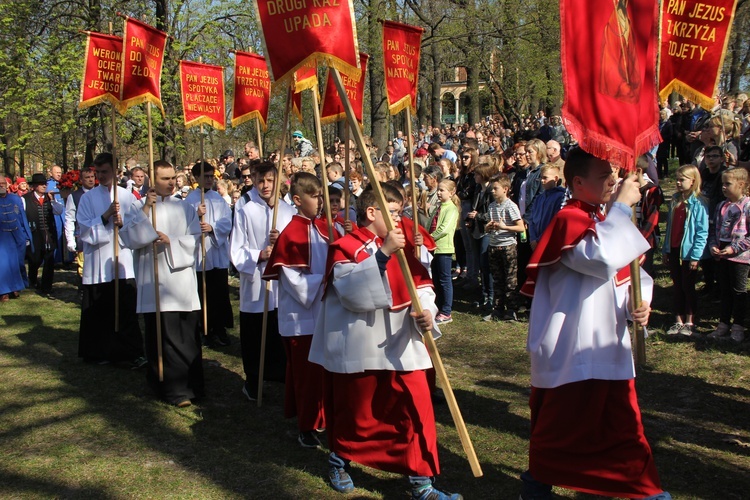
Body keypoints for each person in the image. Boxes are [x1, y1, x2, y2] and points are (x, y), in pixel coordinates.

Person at [518, 147, 670, 500]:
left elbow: (629, 275)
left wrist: (640, 304)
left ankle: (643, 491)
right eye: (604, 176)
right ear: (578, 182)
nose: (614, 181)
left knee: (622, 427)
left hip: (607, 343)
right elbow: (601, 258)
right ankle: (538, 488)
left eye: (614, 174)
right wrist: (621, 208)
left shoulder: (603, 221)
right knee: (560, 428)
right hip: (572, 346)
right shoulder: (569, 219)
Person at [310, 183, 462, 500]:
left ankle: (421, 483)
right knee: (359, 415)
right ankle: (340, 460)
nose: (399, 218)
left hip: (403, 343)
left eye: (399, 211)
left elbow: (421, 283)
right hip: (363, 345)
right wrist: (382, 253)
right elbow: (352, 294)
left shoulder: (401, 245)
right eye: (392, 212)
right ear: (371, 212)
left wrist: (428, 312)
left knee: (415, 410)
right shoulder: (346, 245)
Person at [120, 160, 203, 407]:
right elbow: (129, 238)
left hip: (181, 279)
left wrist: (172, 241)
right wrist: (147, 210)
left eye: (172, 178)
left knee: (186, 335)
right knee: (162, 336)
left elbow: (196, 239)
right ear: (151, 180)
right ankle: (171, 388)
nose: (170, 183)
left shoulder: (185, 207)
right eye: (164, 179)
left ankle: (192, 385)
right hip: (154, 280)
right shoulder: (138, 207)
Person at [262, 172, 331, 448]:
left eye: (320, 196)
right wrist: (325, 281)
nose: (320, 202)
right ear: (298, 200)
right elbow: (293, 280)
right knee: (304, 374)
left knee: (320, 372)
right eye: (315, 197)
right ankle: (307, 425)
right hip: (301, 318)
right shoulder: (291, 234)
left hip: (322, 312)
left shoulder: (322, 228)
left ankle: (320, 417)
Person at [231, 161, 295, 401]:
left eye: (270, 180)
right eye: (261, 180)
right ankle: (253, 378)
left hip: (281, 284)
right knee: (256, 332)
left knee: (279, 332)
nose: (265, 185)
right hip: (257, 281)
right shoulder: (245, 208)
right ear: (254, 180)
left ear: (278, 181)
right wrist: (260, 254)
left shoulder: (287, 211)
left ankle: (278, 374)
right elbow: (236, 249)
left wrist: (282, 243)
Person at [77, 153, 144, 366]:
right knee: (99, 311)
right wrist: (105, 217)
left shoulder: (128, 197)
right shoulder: (88, 198)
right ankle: (98, 352)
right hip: (98, 261)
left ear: (115, 171)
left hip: (122, 261)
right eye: (98, 172)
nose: (101, 176)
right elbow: (85, 231)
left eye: (105, 172)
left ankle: (129, 352)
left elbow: (137, 227)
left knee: (125, 310)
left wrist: (123, 224)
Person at [185, 162, 234, 348]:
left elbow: (226, 222)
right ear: (196, 178)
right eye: (204, 176)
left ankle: (219, 327)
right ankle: (204, 328)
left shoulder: (218, 199)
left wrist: (212, 228)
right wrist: (197, 217)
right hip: (199, 252)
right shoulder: (189, 200)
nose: (208, 179)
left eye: (211, 176)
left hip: (216, 251)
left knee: (219, 292)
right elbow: (183, 226)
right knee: (202, 293)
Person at [662, 165, 709, 336]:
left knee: (688, 286)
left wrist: (696, 255)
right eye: (677, 179)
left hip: (688, 253)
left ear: (693, 181)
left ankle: (690, 321)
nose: (678, 183)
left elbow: (702, 232)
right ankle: (678, 320)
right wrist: (666, 250)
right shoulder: (675, 200)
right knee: (677, 285)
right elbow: (669, 228)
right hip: (674, 249)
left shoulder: (699, 203)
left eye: (682, 179)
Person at [707, 168, 750, 342]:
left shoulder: (747, 205)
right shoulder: (721, 206)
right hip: (722, 253)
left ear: (741, 185)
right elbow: (714, 230)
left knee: (738, 291)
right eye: (722, 183)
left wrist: (735, 248)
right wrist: (713, 245)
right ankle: (723, 324)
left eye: (728, 184)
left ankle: (738, 325)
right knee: (724, 290)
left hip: (740, 256)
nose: (723, 187)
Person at [483, 173, 524, 322]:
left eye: (495, 188)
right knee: (497, 279)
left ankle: (511, 310)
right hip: (494, 245)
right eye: (491, 189)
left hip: (507, 246)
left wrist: (504, 227)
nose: (492, 191)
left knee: (510, 279)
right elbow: (489, 226)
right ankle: (497, 309)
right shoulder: (492, 206)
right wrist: (488, 228)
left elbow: (520, 228)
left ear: (505, 189)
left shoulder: (511, 206)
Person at [23, 173, 64, 294]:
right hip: (34, 234)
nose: (44, 186)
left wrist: (52, 200)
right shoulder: (25, 199)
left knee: (49, 259)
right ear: (35, 186)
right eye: (41, 184)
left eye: (45, 184)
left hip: (49, 234)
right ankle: (33, 279)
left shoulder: (50, 198)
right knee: (35, 260)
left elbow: (58, 211)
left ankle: (47, 286)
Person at [430, 179, 460, 324]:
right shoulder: (439, 208)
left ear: (451, 192)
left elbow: (443, 229)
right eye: (438, 190)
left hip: (444, 249)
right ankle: (438, 307)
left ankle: (446, 311)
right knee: (436, 278)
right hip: (434, 248)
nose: (439, 193)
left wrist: (428, 238)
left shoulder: (451, 209)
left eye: (442, 190)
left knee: (444, 279)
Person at [0, 175, 31, 301]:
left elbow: (22, 217)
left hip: (17, 235)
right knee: (3, 264)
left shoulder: (16, 199)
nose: (1, 185)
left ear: (7, 185)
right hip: (2, 237)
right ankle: (4, 291)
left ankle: (16, 287)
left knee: (17, 262)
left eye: (3, 183)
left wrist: (25, 235)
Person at [65, 168, 97, 280]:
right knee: (83, 268)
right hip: (82, 236)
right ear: (81, 180)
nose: (91, 180)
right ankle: (83, 290)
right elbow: (70, 218)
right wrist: (70, 239)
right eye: (87, 178)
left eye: (92, 177)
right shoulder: (74, 196)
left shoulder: (101, 193)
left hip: (99, 235)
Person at [527, 165, 566, 250]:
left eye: (545, 178)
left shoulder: (561, 197)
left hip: (550, 242)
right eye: (541, 178)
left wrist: (539, 240)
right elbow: (531, 219)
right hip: (536, 242)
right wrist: (533, 239)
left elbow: (555, 222)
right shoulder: (539, 198)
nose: (542, 181)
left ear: (555, 179)